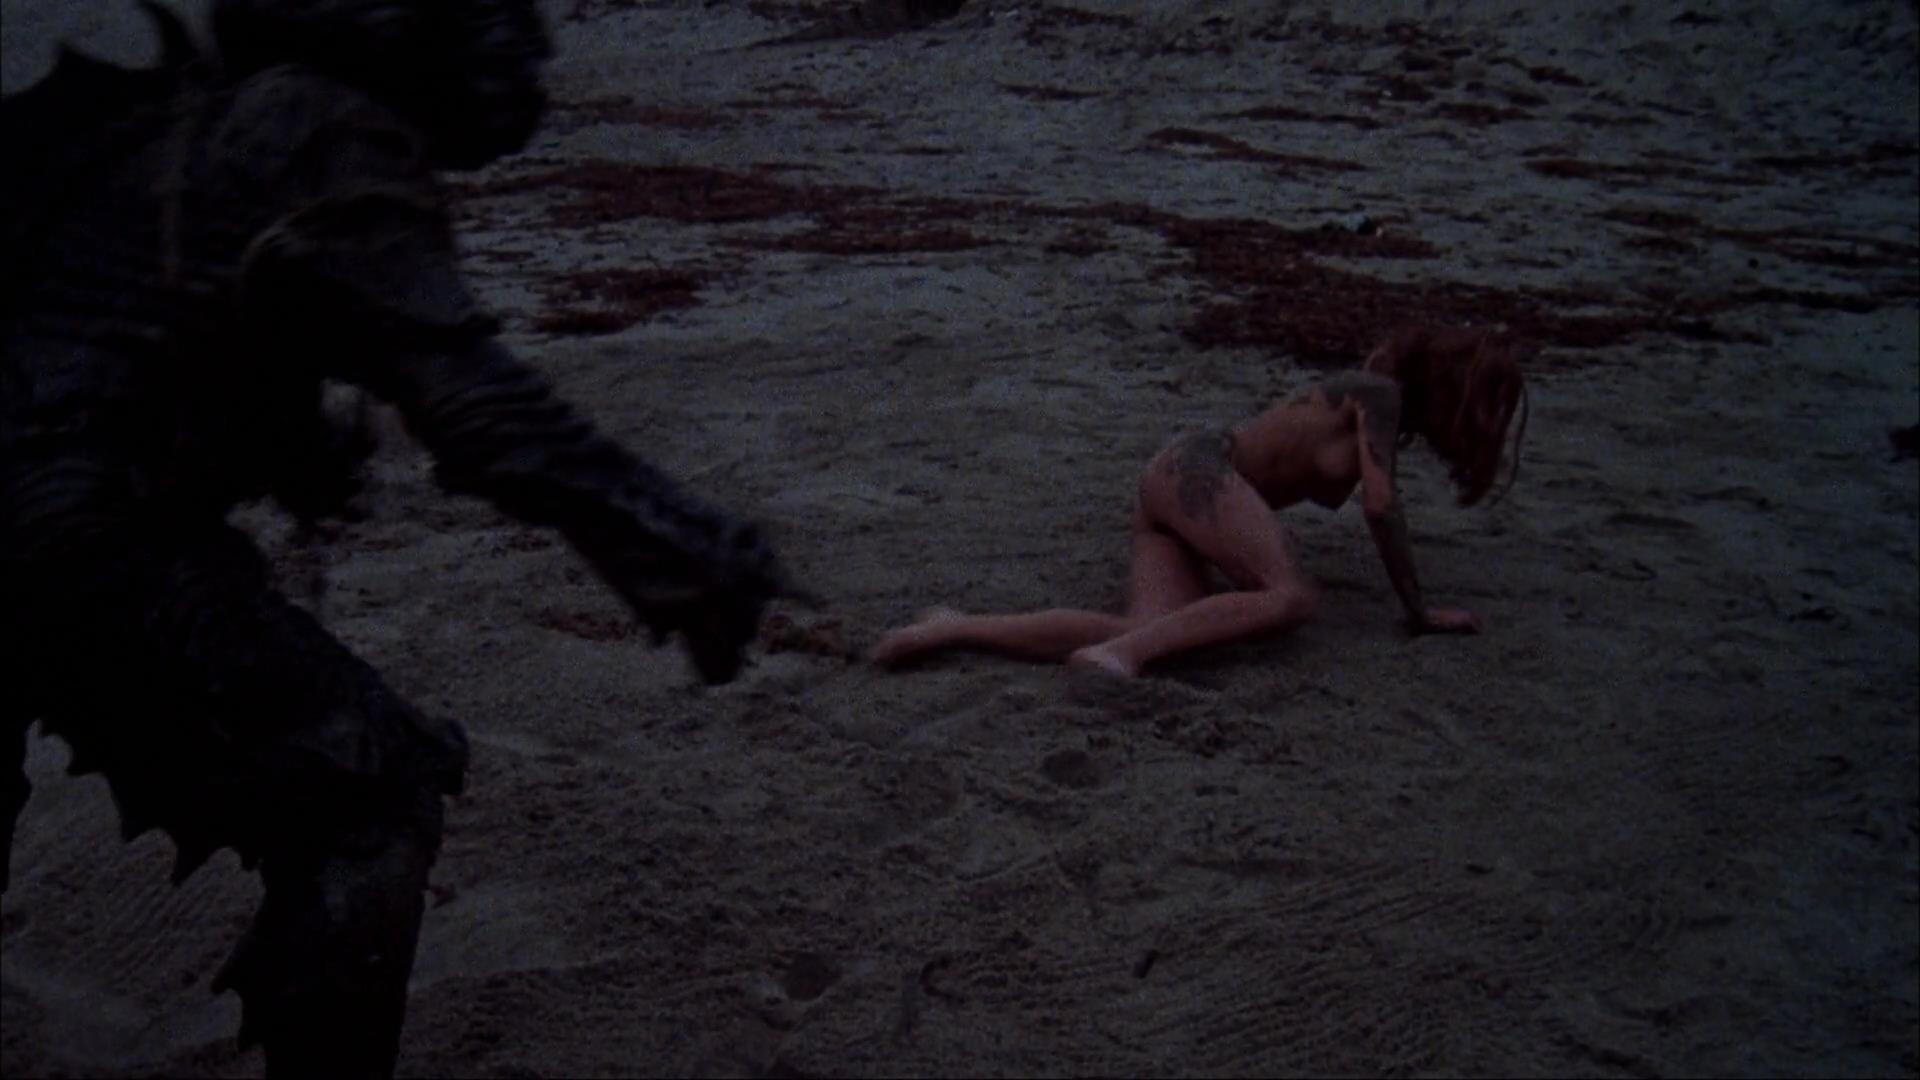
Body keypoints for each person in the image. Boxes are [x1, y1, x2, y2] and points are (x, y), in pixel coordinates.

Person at [869, 326, 1530, 677]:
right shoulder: (1378, 397)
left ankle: (954, 625)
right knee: (1291, 597)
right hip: (1198, 467)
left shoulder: (1375, 408)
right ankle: (1119, 660)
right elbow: (1381, 507)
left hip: (1178, 486)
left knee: (1145, 624)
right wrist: (1419, 611)